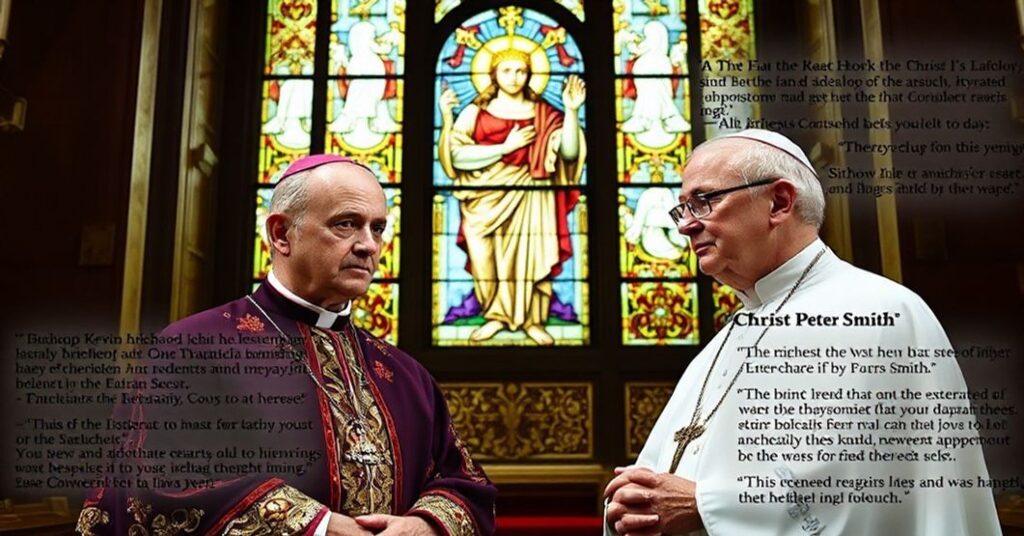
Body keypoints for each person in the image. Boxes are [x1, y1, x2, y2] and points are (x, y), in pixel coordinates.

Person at [603, 129, 1001, 535]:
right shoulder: (729, 338)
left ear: (779, 202)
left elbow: (867, 491)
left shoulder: (880, 313)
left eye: (704, 202)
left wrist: (705, 506)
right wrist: (634, 502)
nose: (686, 226)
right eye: (682, 208)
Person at [77, 155, 495, 536]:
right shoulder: (192, 348)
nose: (368, 245)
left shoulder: (405, 374)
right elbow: (156, 484)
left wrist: (425, 525)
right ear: (281, 234)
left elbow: (463, 482)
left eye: (378, 228)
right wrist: (315, 527)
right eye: (346, 224)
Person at [437, 47, 586, 345]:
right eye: (507, 70)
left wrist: (571, 111)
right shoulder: (474, 112)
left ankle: (533, 319)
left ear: (530, 74)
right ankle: (494, 315)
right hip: (484, 198)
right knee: (485, 259)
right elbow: (456, 155)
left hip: (535, 196)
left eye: (521, 71)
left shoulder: (545, 113)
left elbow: (569, 153)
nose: (514, 77)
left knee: (536, 256)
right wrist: (504, 148)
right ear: (493, 74)